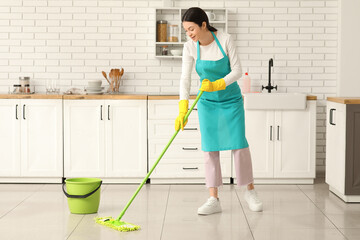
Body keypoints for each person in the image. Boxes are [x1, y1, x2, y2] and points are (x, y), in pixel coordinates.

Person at [175, 7, 263, 214]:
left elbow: (237, 71)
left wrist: (218, 84)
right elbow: (185, 79)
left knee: (239, 145)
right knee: (210, 148)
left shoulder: (225, 39)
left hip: (231, 100)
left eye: (191, 29)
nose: (189, 34)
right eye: (186, 30)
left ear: (203, 24)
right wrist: (182, 108)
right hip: (207, 103)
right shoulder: (190, 47)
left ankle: (249, 190)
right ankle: (213, 198)